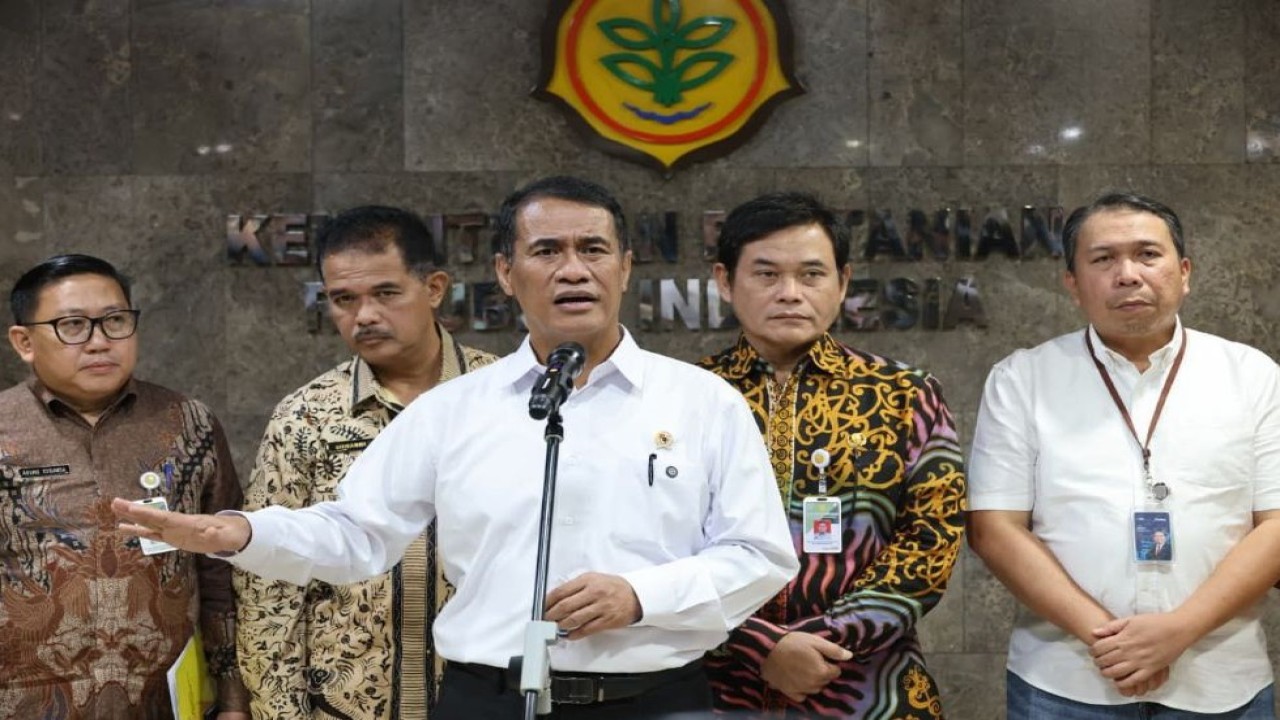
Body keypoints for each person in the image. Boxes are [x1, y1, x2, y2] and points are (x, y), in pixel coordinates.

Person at [112, 175, 799, 719]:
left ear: (624, 267)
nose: (572, 270)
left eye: (592, 250)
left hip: (658, 699)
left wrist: (642, 596)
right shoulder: (455, 408)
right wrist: (240, 532)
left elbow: (760, 554)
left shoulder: (702, 402)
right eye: (546, 252)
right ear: (506, 272)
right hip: (487, 698)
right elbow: (358, 533)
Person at [967, 192, 1280, 718]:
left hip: (1220, 677)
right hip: (1065, 682)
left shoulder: (1252, 376)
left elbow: (1275, 524)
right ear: (1072, 284)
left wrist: (1179, 630)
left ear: (1184, 273)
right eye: (1103, 259)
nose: (1128, 274)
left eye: (1147, 254)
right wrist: (1112, 642)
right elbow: (994, 529)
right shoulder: (1023, 379)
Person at [698, 192, 967, 719]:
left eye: (811, 274)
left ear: (842, 283)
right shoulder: (686, 396)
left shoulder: (904, 394)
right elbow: (657, 545)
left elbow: (931, 539)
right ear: (725, 281)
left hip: (868, 689)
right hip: (717, 689)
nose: (790, 293)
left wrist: (827, 640)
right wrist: (760, 646)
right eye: (767, 274)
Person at [234, 206, 496, 719]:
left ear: (434, 288)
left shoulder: (504, 398)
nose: (365, 316)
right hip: (344, 707)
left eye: (386, 293)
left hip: (487, 701)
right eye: (344, 299)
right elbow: (268, 585)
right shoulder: (306, 415)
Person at [0, 254, 248, 719]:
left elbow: (222, 571)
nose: (99, 342)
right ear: (24, 341)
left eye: (115, 321)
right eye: (73, 325)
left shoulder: (187, 424)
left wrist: (233, 699)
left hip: (163, 703)